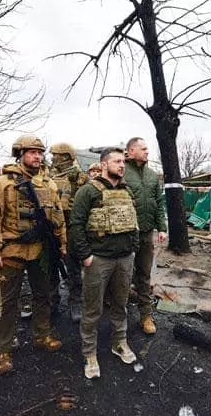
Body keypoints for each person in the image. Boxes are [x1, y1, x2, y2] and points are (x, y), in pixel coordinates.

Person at [0, 136, 66, 374]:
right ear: (20, 154)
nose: (37, 156)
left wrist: (62, 244)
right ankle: (4, 349)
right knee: (7, 303)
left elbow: (59, 217)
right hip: (11, 250)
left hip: (40, 251)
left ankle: (41, 336)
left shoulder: (49, 185)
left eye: (40, 153)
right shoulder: (2, 183)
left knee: (43, 296)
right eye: (32, 152)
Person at [69, 147, 140, 379]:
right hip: (99, 259)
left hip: (124, 258)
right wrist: (86, 256)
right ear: (104, 165)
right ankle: (89, 352)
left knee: (121, 305)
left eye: (123, 162)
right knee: (93, 308)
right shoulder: (88, 191)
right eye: (117, 161)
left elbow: (133, 222)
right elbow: (76, 226)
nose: (122, 165)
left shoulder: (126, 190)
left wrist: (133, 250)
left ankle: (119, 342)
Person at [124, 137, 167, 335]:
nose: (147, 152)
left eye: (147, 148)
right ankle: (119, 314)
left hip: (146, 233)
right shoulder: (122, 172)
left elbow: (159, 203)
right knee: (121, 274)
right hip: (125, 234)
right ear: (131, 151)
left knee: (144, 275)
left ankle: (146, 316)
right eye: (143, 148)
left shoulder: (152, 175)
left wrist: (162, 228)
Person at [49, 142, 87, 322]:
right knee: (49, 267)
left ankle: (76, 302)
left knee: (73, 268)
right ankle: (52, 301)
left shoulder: (79, 177)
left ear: (64, 156)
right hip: (50, 227)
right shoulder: (47, 176)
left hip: (70, 227)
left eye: (55, 154)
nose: (52, 157)